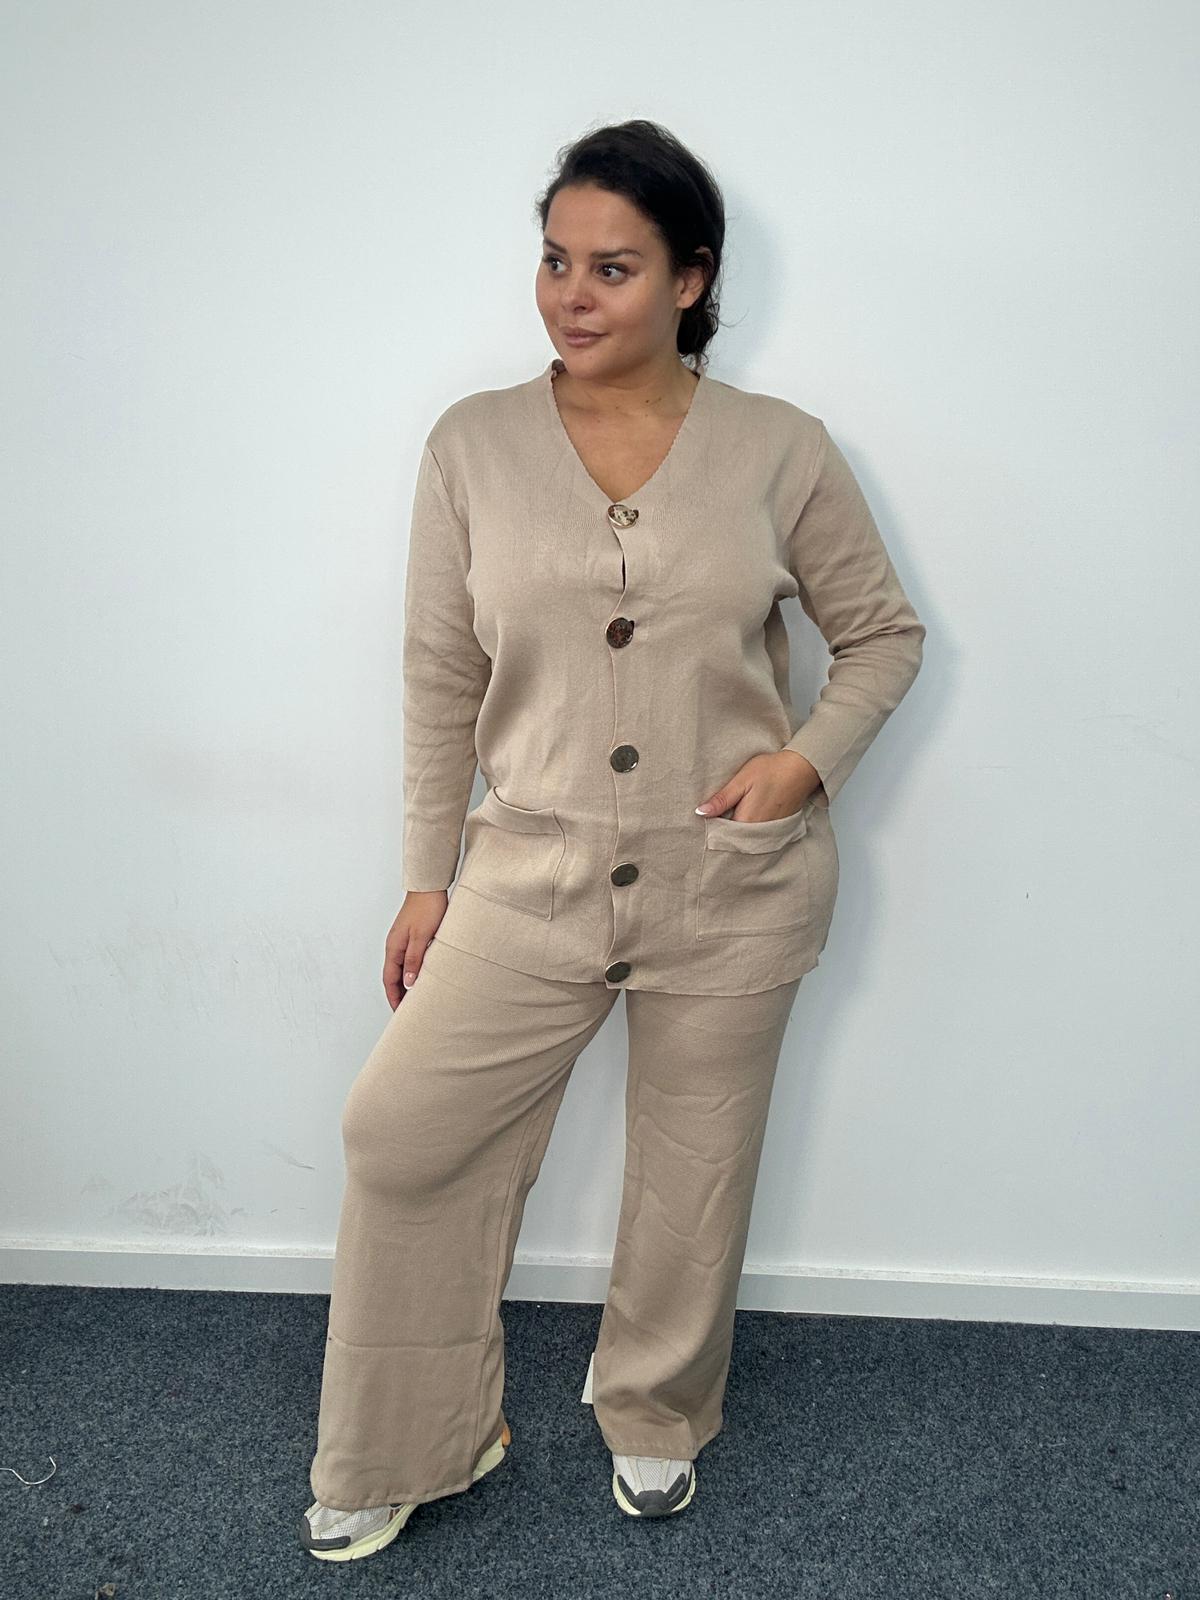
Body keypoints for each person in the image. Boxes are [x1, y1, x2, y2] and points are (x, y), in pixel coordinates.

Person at [301, 118, 925, 1562]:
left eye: (613, 268)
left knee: (694, 1168)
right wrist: (426, 874)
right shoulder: (473, 444)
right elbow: (441, 671)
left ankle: (654, 1407)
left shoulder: (782, 450)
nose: (571, 296)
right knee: (400, 1134)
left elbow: (884, 636)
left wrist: (802, 766)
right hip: (530, 870)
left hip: (730, 880)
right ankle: (412, 1434)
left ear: (691, 281)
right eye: (554, 261)